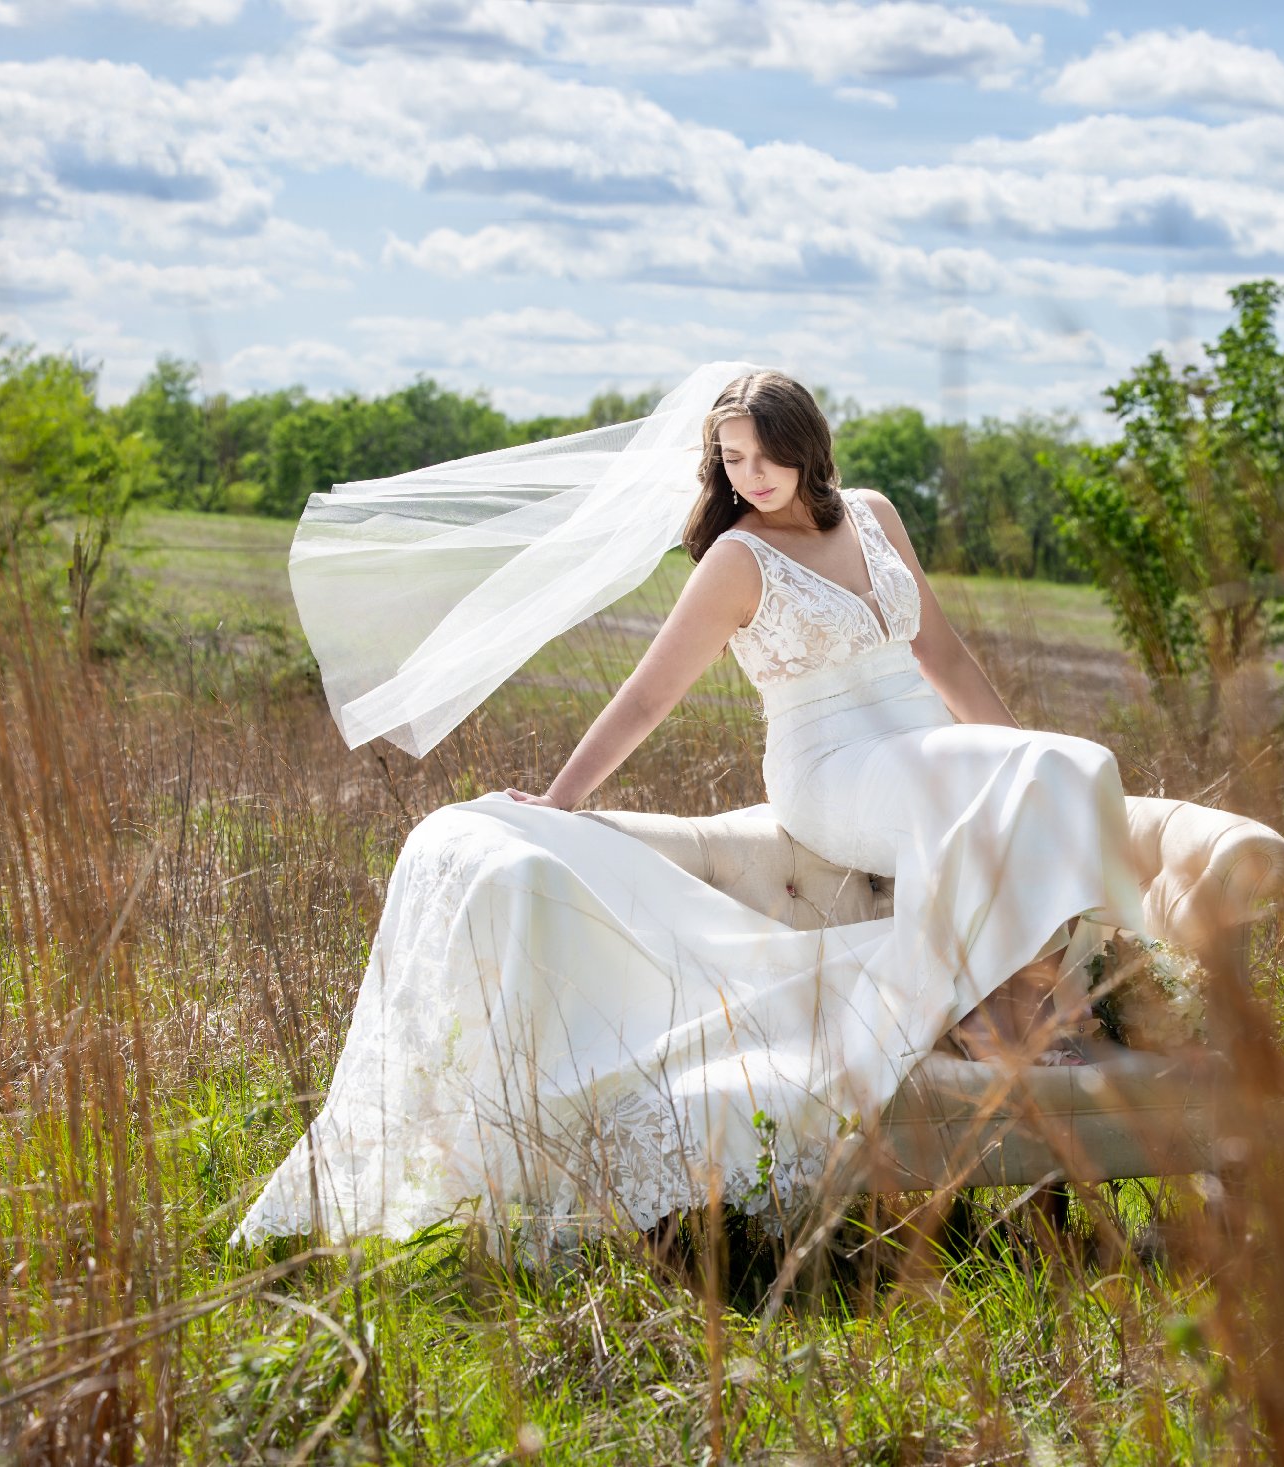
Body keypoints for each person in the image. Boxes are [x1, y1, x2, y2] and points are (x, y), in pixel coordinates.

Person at [235, 367, 1146, 1249]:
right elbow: (645, 697)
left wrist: (1023, 761)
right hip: (832, 767)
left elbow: (942, 656)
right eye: (732, 460)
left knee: (1074, 761)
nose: (750, 476)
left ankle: (1027, 999)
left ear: (807, 445)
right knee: (990, 779)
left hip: (926, 750)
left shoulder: (875, 515)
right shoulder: (737, 558)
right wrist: (560, 799)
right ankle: (992, 1010)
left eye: (764, 455)